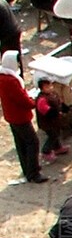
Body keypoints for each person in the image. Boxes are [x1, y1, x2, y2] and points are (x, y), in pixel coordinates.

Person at [0, 51, 47, 183]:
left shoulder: (3, 77)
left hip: (11, 116)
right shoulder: (11, 81)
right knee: (32, 142)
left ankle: (27, 168)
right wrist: (33, 101)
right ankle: (33, 172)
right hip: (20, 117)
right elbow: (22, 100)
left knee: (21, 143)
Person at [35, 76, 66, 162]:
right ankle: (46, 152)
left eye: (50, 85)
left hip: (55, 121)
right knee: (52, 136)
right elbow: (46, 111)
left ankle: (57, 148)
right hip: (47, 123)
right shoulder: (42, 99)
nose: (50, 88)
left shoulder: (53, 94)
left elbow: (60, 102)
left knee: (56, 134)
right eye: (47, 87)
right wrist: (56, 112)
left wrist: (64, 108)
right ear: (41, 88)